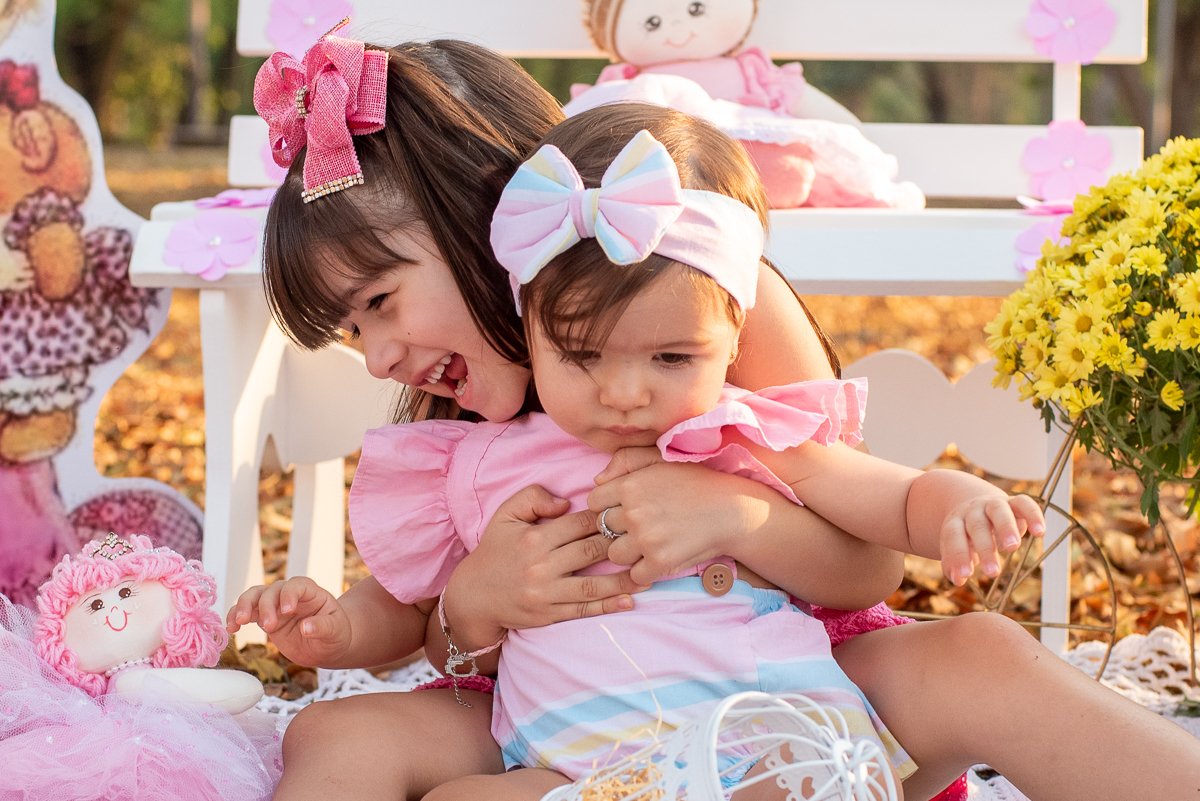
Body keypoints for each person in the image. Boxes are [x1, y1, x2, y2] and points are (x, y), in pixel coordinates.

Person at [229, 29, 1200, 801]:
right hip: (560, 714)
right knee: (338, 730)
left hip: (776, 684)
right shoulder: (459, 429)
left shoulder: (708, 288)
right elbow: (431, 637)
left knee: (983, 655)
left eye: (381, 303)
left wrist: (733, 515)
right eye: (352, 331)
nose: (378, 355)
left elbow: (862, 561)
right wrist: (475, 602)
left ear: (486, 217)